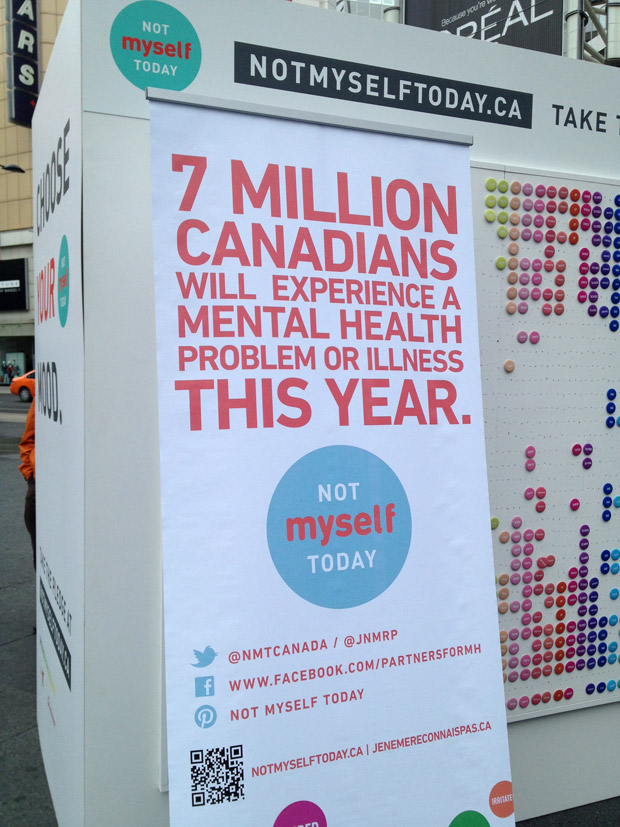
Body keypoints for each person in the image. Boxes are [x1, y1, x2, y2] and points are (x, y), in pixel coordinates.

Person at [18, 399, 36, 567]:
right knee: (39, 545)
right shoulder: (43, 395)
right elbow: (28, 440)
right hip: (37, 484)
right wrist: (30, 474)